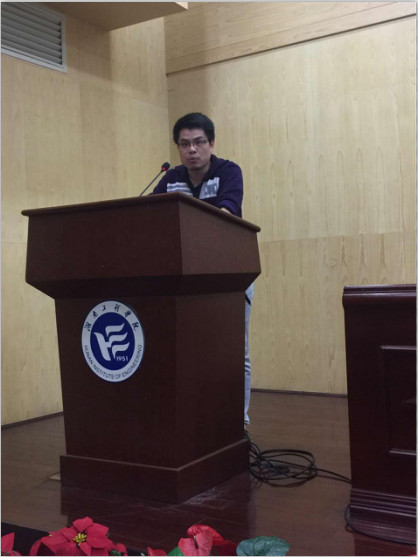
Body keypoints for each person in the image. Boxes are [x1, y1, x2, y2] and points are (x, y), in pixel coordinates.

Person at [153, 112, 254, 428]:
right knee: (191, 352)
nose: (192, 150)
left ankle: (238, 423)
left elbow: (226, 213)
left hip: (230, 273)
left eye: (198, 142)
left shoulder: (228, 172)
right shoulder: (171, 179)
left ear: (211, 143)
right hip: (186, 278)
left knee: (234, 351)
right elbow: (151, 217)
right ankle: (197, 422)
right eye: (184, 144)